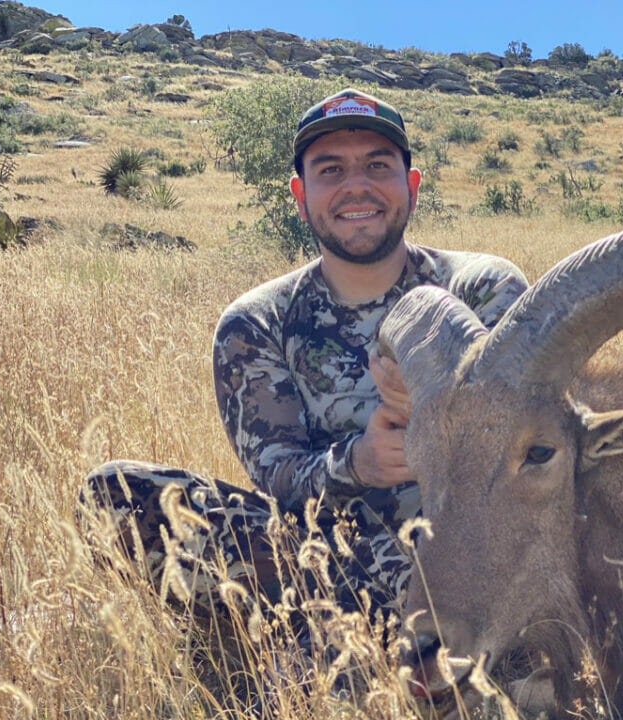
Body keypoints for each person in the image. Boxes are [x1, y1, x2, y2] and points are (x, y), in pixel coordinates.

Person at [81, 88, 528, 661]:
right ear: (300, 197)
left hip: (477, 550)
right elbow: (276, 479)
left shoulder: (486, 288)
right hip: (331, 556)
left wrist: (433, 417)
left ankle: (405, 647)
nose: (356, 186)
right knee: (113, 494)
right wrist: (358, 463)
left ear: (411, 187)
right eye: (330, 169)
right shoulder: (256, 323)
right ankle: (365, 642)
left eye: (376, 165)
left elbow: (529, 435)